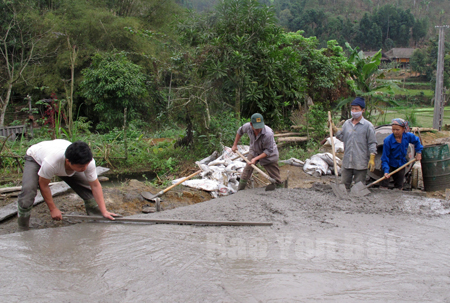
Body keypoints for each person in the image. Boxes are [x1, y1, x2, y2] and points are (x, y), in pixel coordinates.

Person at [17, 139, 118, 230]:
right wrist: (53, 209)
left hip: (59, 154)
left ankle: (96, 214)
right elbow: (43, 185)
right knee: (28, 191)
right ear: (68, 161)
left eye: (86, 165)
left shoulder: (87, 162)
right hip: (35, 157)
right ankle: (23, 226)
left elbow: (95, 185)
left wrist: (104, 211)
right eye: (81, 166)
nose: (84, 168)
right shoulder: (51, 163)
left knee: (86, 185)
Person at [330, 97, 377, 190]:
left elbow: (372, 143)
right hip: (347, 161)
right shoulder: (347, 124)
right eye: (352, 109)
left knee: (359, 188)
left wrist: (372, 157)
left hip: (361, 162)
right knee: (343, 186)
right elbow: (343, 138)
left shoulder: (368, 126)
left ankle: (359, 204)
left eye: (356, 109)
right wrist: (335, 130)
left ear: (363, 110)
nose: (354, 111)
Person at [231, 113, 284, 190]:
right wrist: (235, 145)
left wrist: (255, 159)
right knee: (246, 171)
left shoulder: (268, 133)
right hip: (254, 151)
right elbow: (240, 131)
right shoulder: (247, 127)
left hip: (270, 155)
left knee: (275, 177)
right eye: (256, 128)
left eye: (260, 128)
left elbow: (268, 150)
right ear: (251, 124)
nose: (258, 130)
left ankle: (281, 190)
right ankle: (240, 190)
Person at [380, 118, 423, 190]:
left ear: (403, 129)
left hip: (401, 163)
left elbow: (417, 141)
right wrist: (386, 171)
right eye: (393, 130)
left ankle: (398, 193)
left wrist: (419, 152)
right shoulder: (388, 140)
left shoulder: (408, 136)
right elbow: (385, 157)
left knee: (399, 185)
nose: (395, 132)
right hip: (389, 163)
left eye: (397, 130)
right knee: (384, 183)